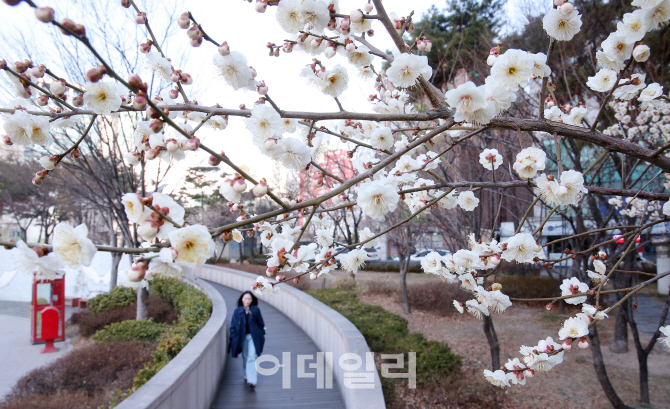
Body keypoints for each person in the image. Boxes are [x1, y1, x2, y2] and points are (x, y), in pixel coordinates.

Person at [228, 290, 265, 388]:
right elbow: (233, 325)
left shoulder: (255, 310)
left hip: (253, 337)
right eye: (245, 298)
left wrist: (261, 334)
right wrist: (232, 336)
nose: (247, 300)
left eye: (249, 299)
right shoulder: (238, 311)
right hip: (242, 337)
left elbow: (261, 323)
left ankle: (252, 380)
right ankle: (246, 373)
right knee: (245, 356)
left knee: (252, 356)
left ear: (252, 300)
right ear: (242, 300)